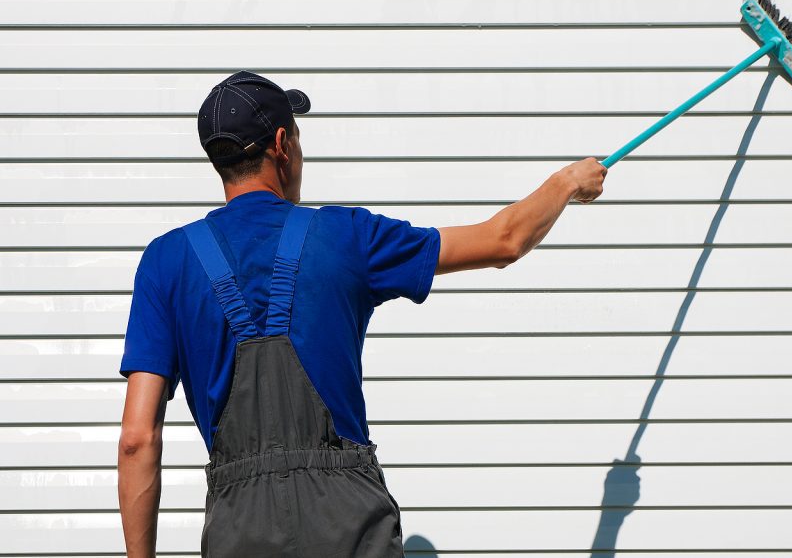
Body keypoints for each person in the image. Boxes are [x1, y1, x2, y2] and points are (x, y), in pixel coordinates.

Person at [116, 70, 607, 557]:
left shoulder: (165, 261)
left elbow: (138, 439)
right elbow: (503, 240)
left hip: (238, 526)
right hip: (346, 522)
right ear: (283, 144)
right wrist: (566, 182)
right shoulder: (346, 235)